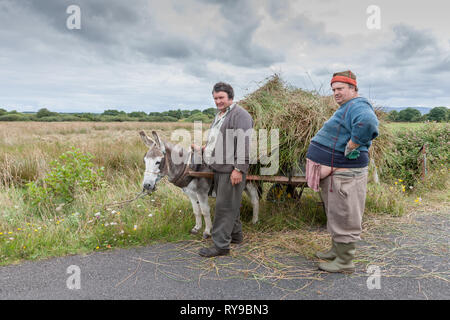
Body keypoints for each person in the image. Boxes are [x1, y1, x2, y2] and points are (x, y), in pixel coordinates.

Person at [305, 70, 379, 273]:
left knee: (345, 214)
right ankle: (336, 251)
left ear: (353, 88)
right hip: (339, 173)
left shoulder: (358, 105)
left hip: (346, 175)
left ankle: (345, 261)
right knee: (337, 213)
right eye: (333, 89)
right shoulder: (349, 106)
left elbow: (368, 124)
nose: (336, 93)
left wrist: (353, 144)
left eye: (340, 88)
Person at [195, 82, 254, 257]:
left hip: (231, 169)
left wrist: (239, 169)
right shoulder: (220, 115)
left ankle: (221, 246)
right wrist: (206, 150)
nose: (218, 101)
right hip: (220, 166)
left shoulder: (240, 115)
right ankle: (236, 236)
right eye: (215, 98)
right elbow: (219, 141)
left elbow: (244, 144)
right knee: (230, 204)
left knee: (223, 207)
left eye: (221, 98)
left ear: (230, 97)